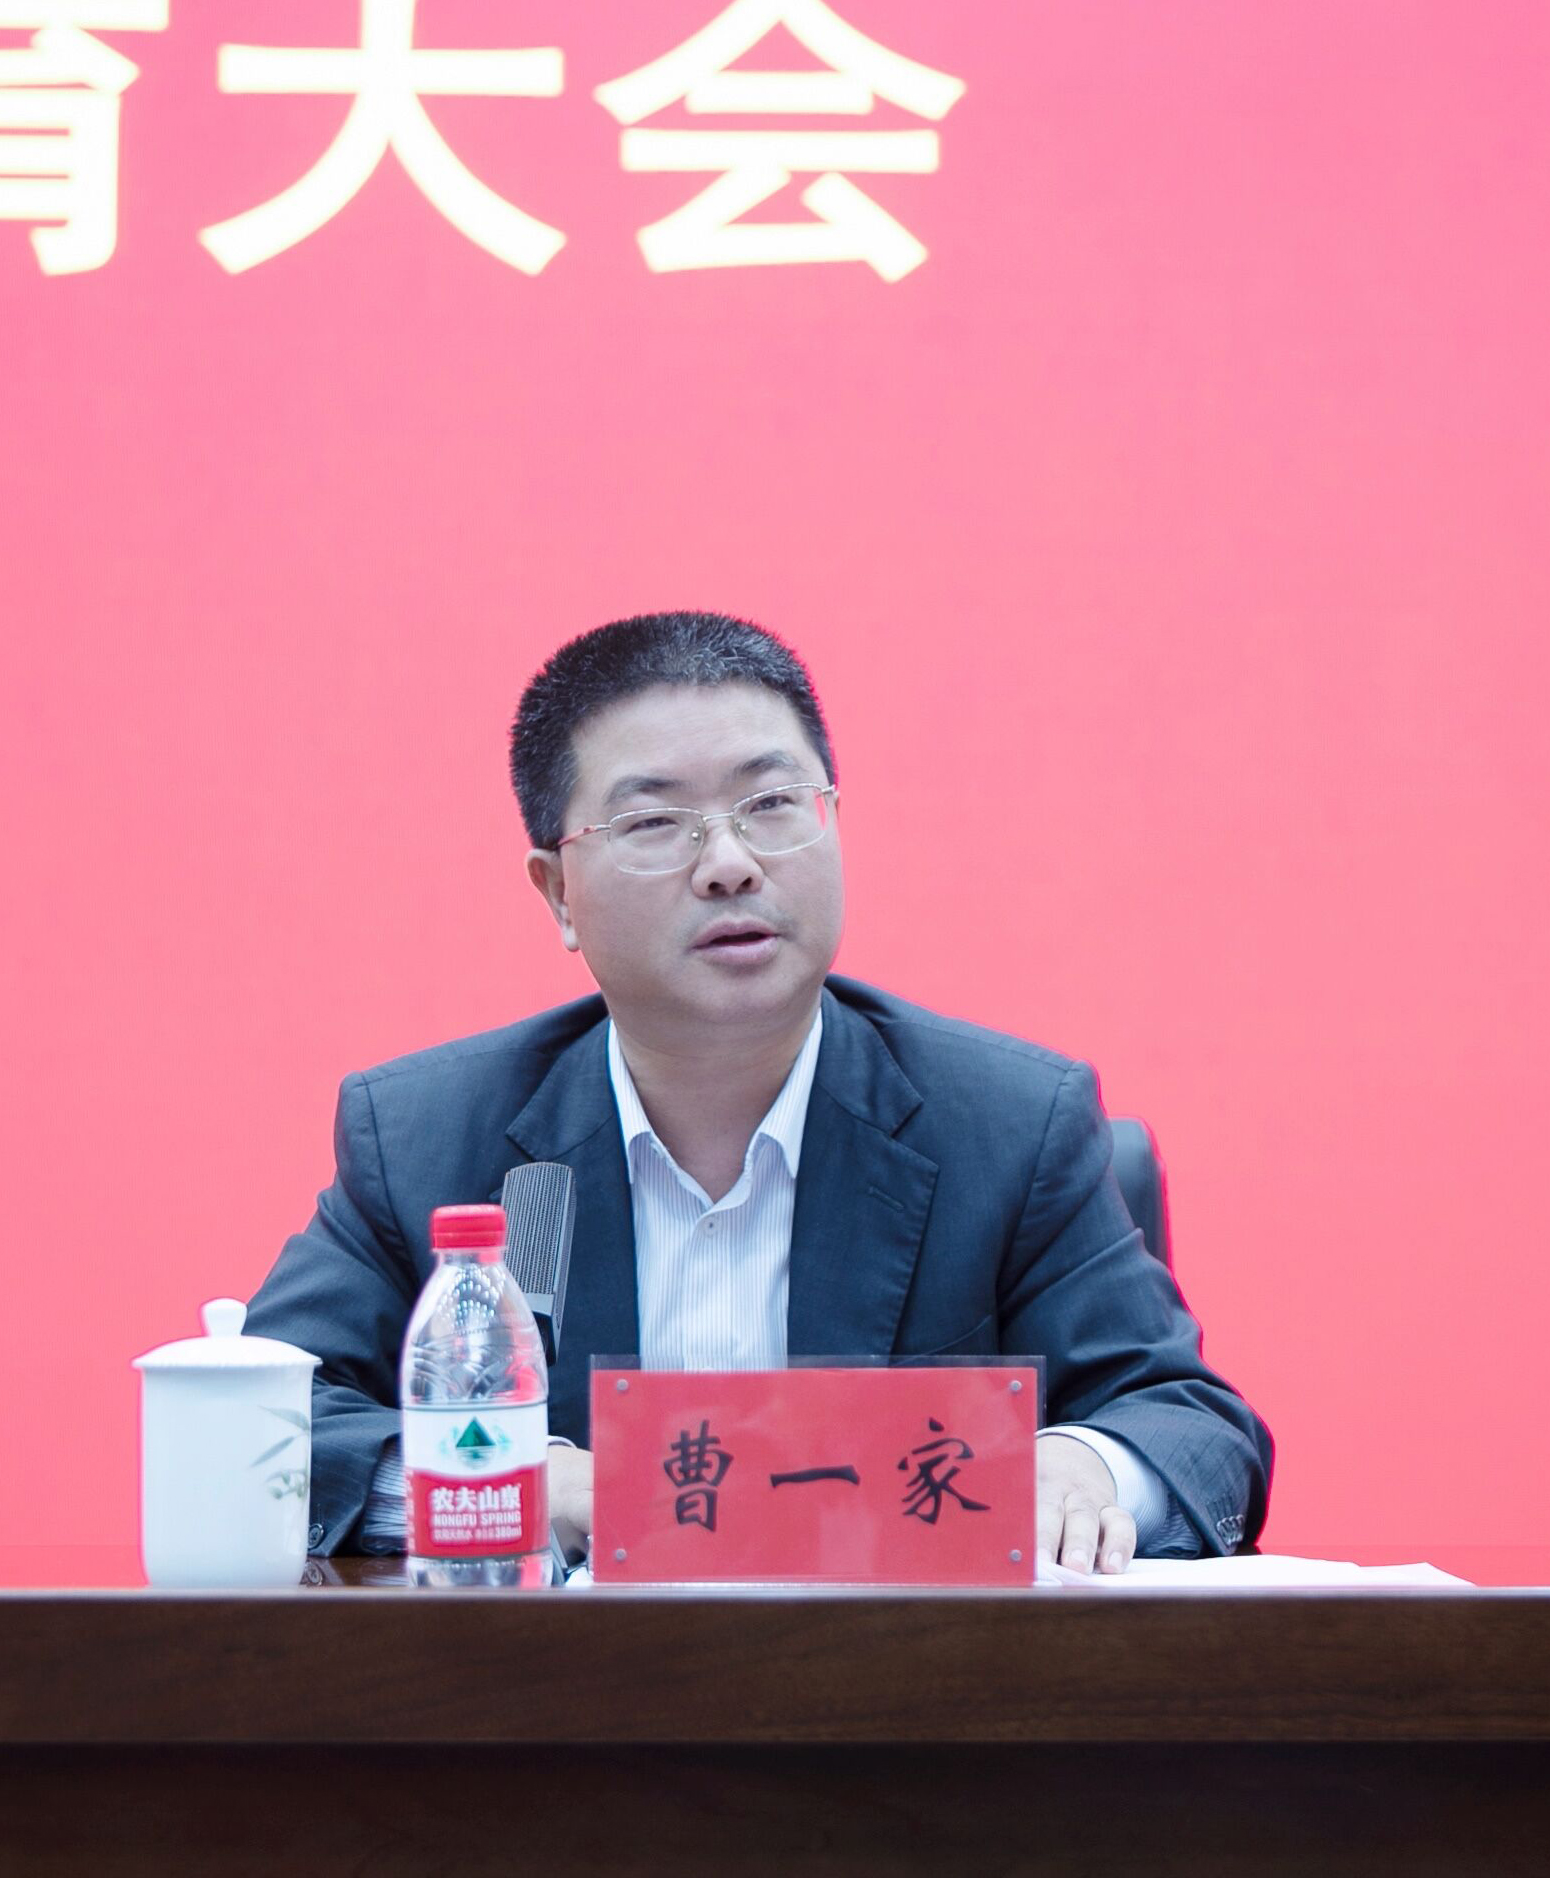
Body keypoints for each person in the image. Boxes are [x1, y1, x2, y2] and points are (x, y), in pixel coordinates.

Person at [244, 612, 1270, 1573]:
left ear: (833, 823)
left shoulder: (1008, 1126)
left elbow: (1189, 1425)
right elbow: (265, 1429)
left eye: (772, 805)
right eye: (655, 821)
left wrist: (1086, 1468)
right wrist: (517, 1486)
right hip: (560, 1698)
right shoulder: (425, 1138)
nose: (730, 865)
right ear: (558, 892)